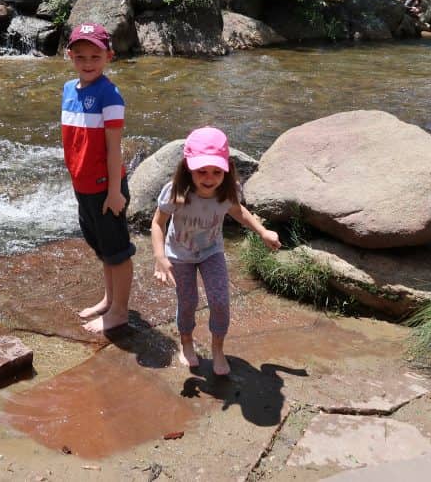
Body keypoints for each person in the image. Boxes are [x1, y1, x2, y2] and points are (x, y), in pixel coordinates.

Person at [151, 127, 281, 375]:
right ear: (188, 166)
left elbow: (239, 211)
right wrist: (160, 257)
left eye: (216, 172)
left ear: (226, 169)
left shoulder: (226, 191)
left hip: (212, 252)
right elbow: (157, 223)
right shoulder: (177, 192)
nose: (209, 178)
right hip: (180, 255)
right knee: (188, 302)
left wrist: (262, 231)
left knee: (220, 301)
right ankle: (186, 342)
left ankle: (218, 349)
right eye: (202, 171)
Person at [62, 22, 135, 333]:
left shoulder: (110, 95)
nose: (88, 63)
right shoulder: (68, 89)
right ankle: (109, 299)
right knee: (102, 247)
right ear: (70, 56)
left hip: (106, 188)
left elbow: (113, 147)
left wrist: (116, 191)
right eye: (81, 56)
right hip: (83, 185)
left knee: (117, 251)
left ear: (109, 57)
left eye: (95, 56)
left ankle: (120, 311)